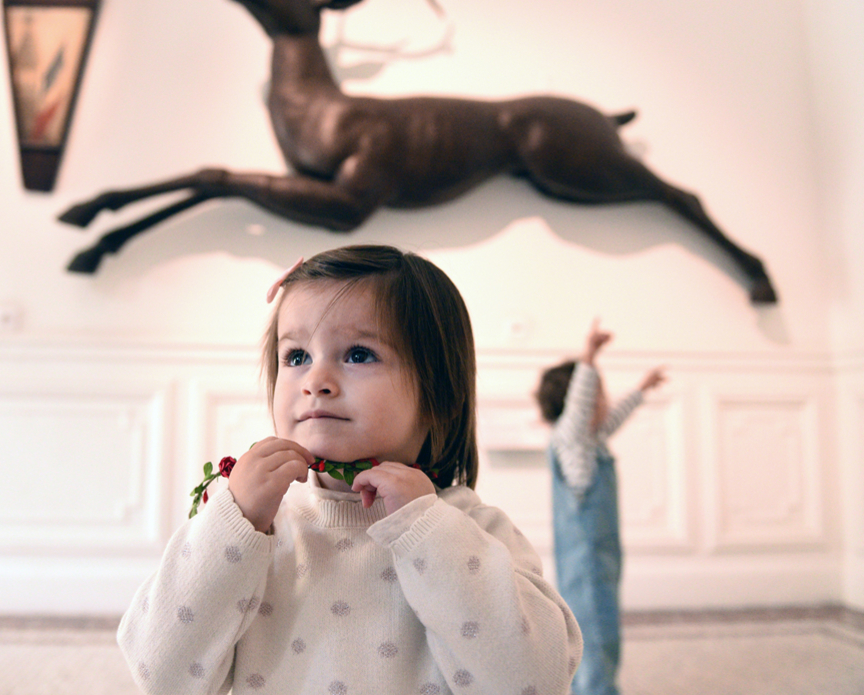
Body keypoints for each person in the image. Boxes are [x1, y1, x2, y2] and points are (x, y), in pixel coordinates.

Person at [118, 245, 583, 695]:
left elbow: (534, 682)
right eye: (296, 356)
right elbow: (162, 676)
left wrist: (428, 530)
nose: (315, 381)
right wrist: (232, 523)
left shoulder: (472, 529)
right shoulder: (254, 525)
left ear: (438, 394)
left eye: (358, 354)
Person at [534, 320, 666, 695]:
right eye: (598, 396)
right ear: (578, 401)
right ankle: (597, 689)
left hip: (603, 557)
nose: (604, 403)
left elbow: (614, 418)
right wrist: (589, 356)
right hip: (587, 562)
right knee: (595, 633)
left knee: (604, 630)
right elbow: (580, 403)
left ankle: (599, 687)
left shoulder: (592, 441)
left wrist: (641, 389)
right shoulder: (572, 440)